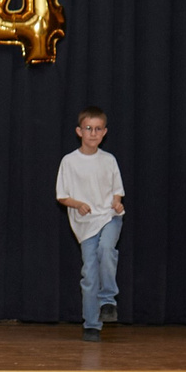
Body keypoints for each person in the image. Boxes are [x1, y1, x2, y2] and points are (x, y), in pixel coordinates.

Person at [55, 107, 126, 340]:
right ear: (79, 131)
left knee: (107, 249)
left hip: (109, 217)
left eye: (98, 129)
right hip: (85, 224)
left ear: (104, 132)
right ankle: (92, 324)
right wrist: (77, 204)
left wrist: (116, 203)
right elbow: (62, 195)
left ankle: (107, 301)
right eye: (88, 128)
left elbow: (117, 191)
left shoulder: (108, 160)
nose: (93, 133)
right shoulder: (70, 161)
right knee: (89, 273)